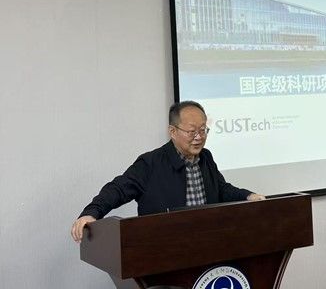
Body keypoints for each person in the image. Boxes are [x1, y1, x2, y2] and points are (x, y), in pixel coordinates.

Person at [71, 100, 265, 242]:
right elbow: (118, 189)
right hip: (165, 248)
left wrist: (248, 196)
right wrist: (91, 213)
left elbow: (221, 189)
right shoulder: (150, 162)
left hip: (207, 242)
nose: (199, 137)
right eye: (192, 131)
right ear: (172, 132)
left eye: (203, 130)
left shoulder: (206, 157)